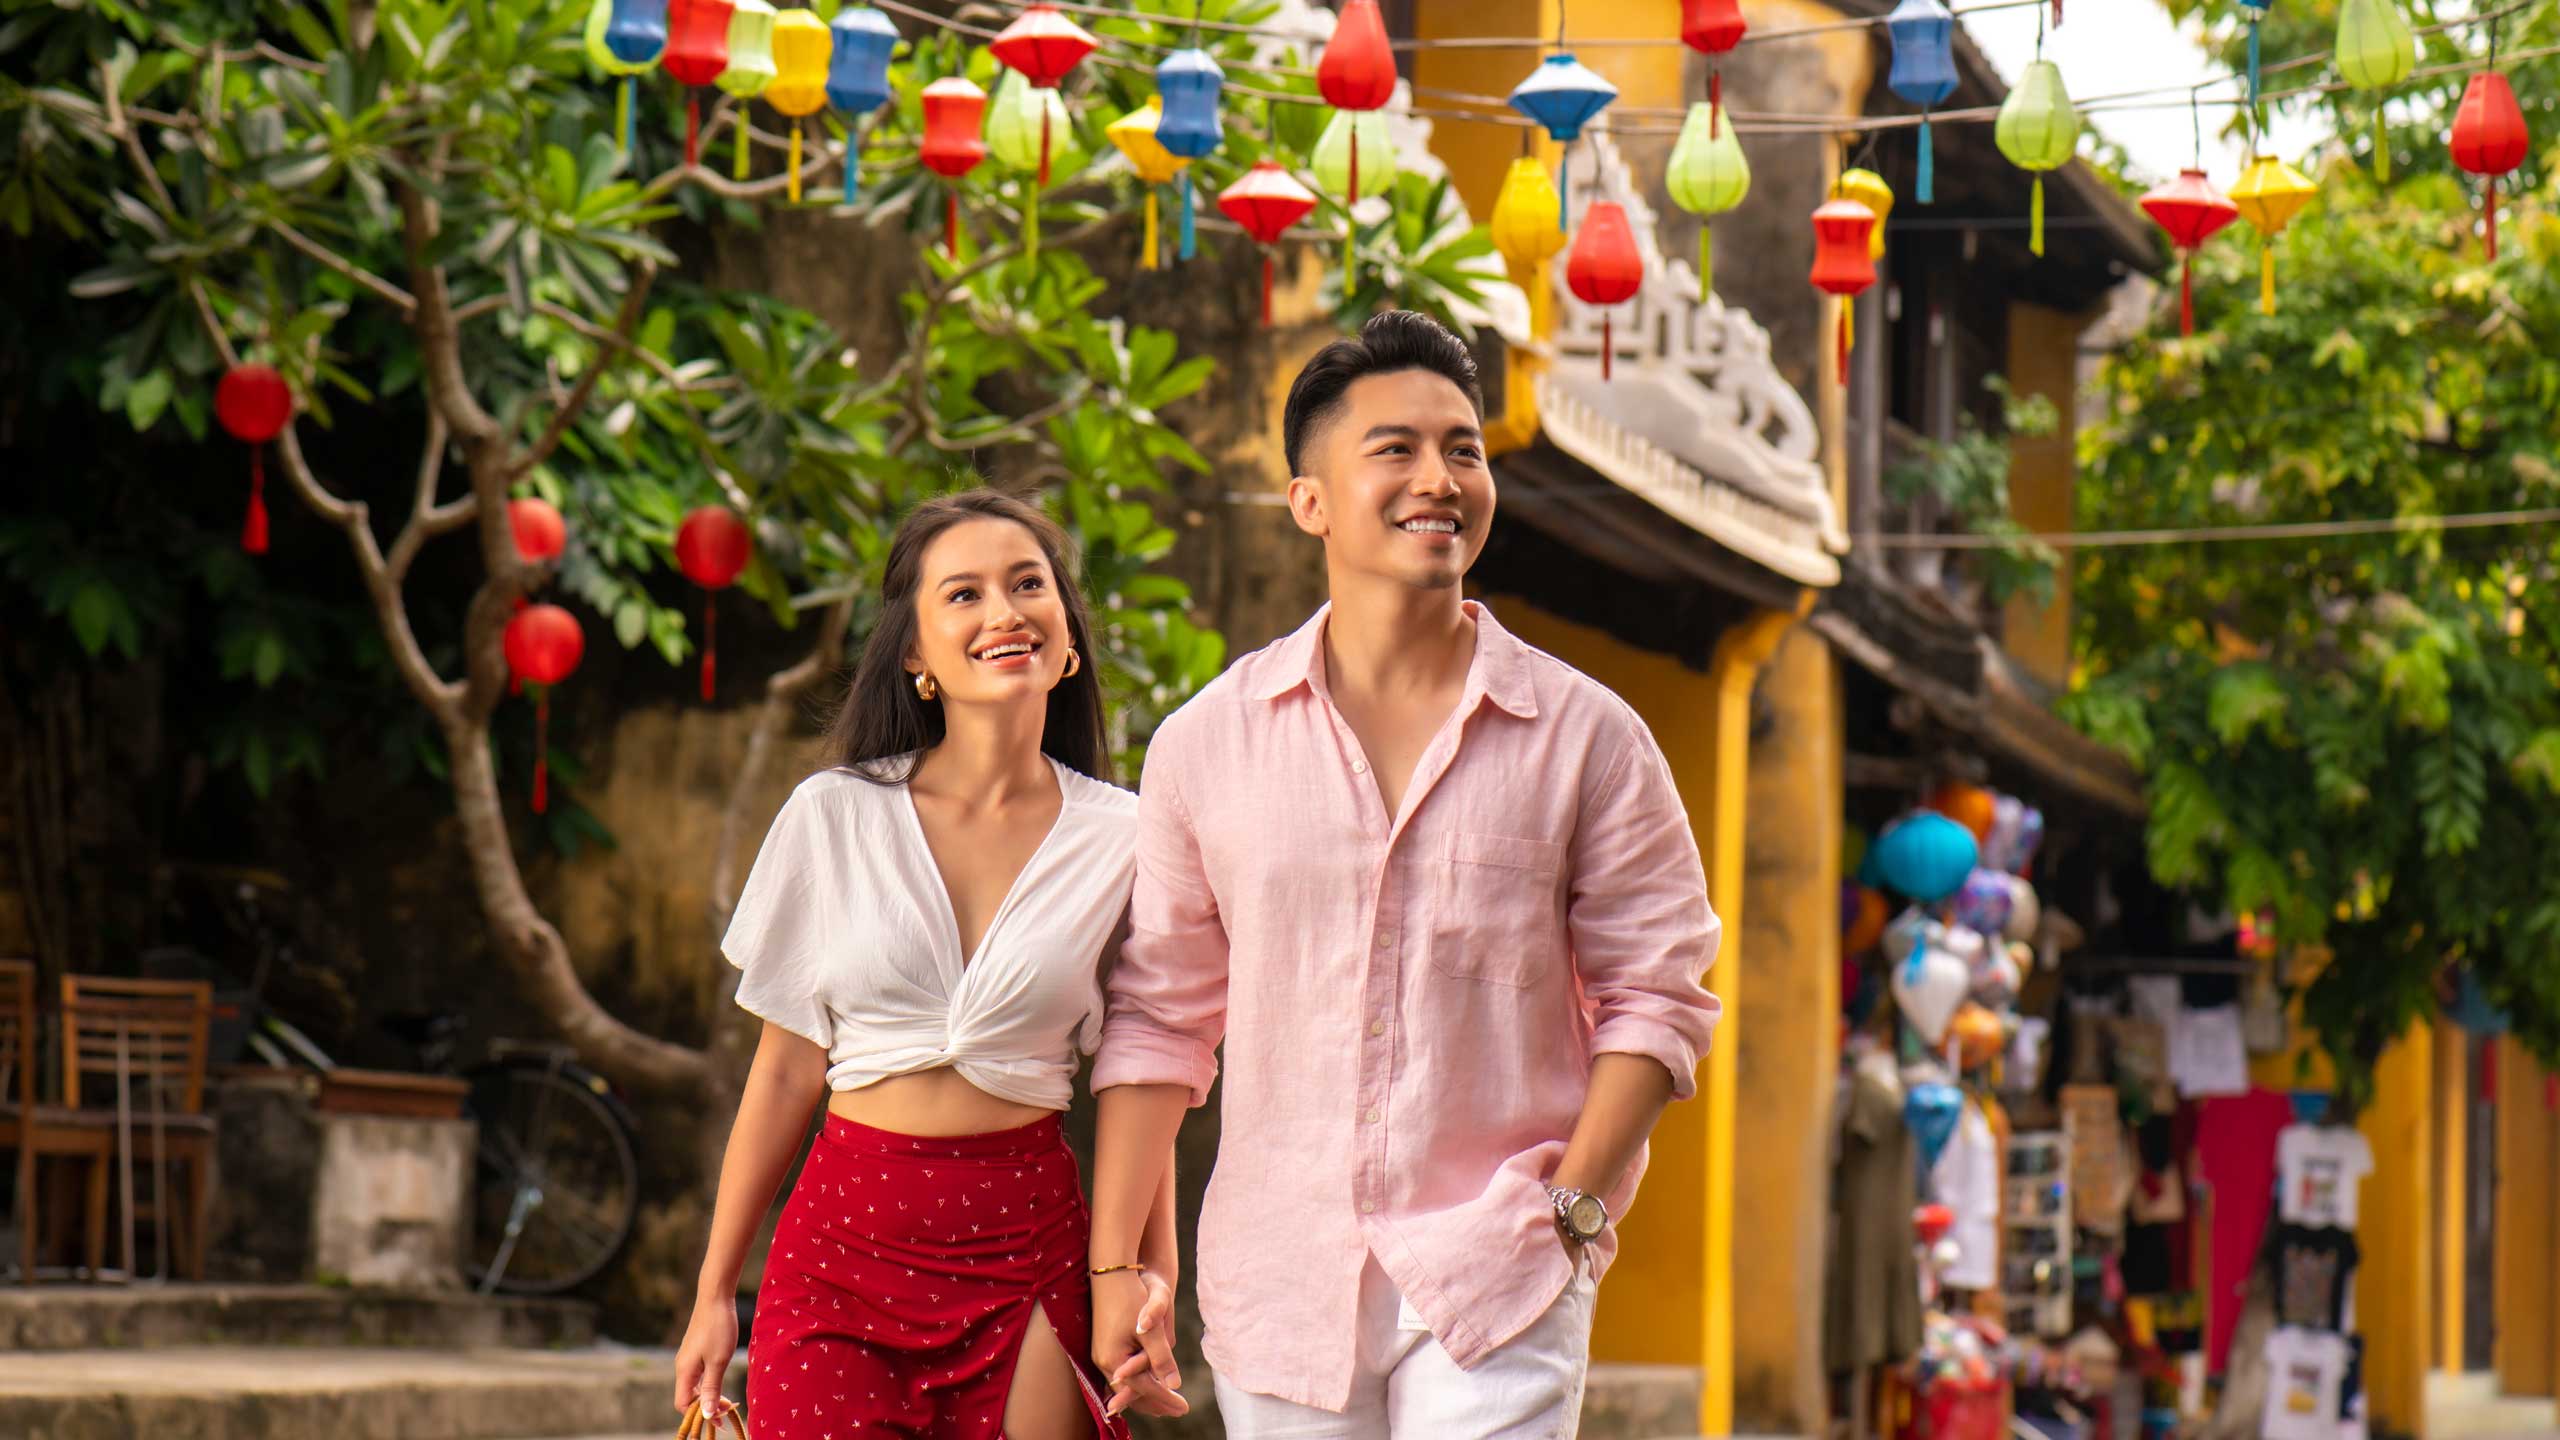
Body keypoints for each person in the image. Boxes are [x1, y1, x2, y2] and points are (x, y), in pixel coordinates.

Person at [1085, 311, 1723, 1436]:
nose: (1440, 477)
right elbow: (1159, 1023)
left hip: (1501, 1267)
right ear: (1311, 501)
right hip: (1281, 1279)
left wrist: (1570, 1211)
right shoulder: (1207, 741)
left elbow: (1658, 997)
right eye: (1396, 449)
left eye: (1464, 449)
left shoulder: (1588, 735)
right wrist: (1115, 1272)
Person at [673, 489, 1187, 1440]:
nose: (1003, 612)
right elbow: (786, 1068)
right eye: (964, 594)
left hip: (1023, 1249)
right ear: (914, 653)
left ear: (1067, 634)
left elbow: (1144, 1065)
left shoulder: (1130, 838)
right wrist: (714, 1292)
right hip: (838, 1255)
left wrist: (1151, 1274)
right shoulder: (833, 816)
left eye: (1028, 584)